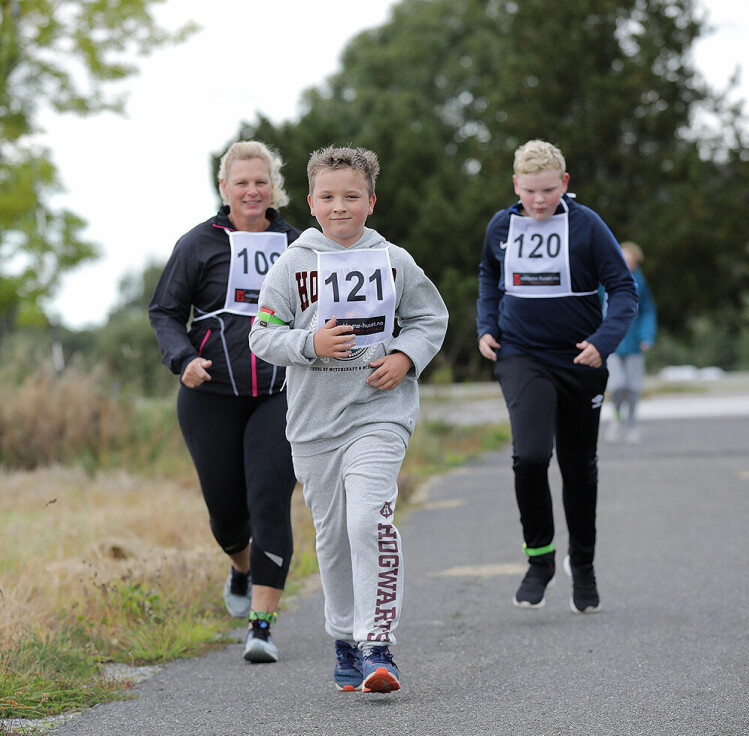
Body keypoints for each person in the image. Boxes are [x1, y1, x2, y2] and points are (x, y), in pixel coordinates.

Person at [249, 145, 447, 694]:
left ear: (371, 202)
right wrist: (309, 343)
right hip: (313, 424)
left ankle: (377, 645)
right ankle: (343, 639)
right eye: (330, 197)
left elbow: (430, 316)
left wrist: (406, 356)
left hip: (379, 413)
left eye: (352, 197)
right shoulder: (292, 263)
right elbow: (261, 334)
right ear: (311, 202)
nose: (341, 207)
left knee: (369, 521)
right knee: (333, 536)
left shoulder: (395, 260)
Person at [149, 140, 300, 664]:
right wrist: (182, 358)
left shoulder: (299, 243)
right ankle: (239, 566)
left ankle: (262, 626)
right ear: (224, 188)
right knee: (228, 516)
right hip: (209, 394)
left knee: (269, 499)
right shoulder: (198, 245)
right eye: (242, 182)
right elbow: (164, 311)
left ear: (273, 186)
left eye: (261, 181)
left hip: (280, 395)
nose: (253, 190)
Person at [477, 139, 638, 614]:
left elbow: (623, 290)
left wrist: (602, 342)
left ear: (565, 184)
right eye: (530, 191)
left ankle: (582, 564)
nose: (540, 200)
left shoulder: (586, 226)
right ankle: (539, 558)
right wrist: (486, 325)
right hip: (521, 354)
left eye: (548, 190)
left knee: (578, 467)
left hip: (579, 360)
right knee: (529, 457)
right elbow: (488, 275)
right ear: (515, 186)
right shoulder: (502, 226)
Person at [604, 241, 657, 444]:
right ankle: (617, 419)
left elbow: (647, 311)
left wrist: (647, 336)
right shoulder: (605, 280)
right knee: (617, 385)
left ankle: (632, 424)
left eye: (631, 262)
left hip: (634, 343)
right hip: (611, 343)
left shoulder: (640, 283)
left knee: (634, 388)